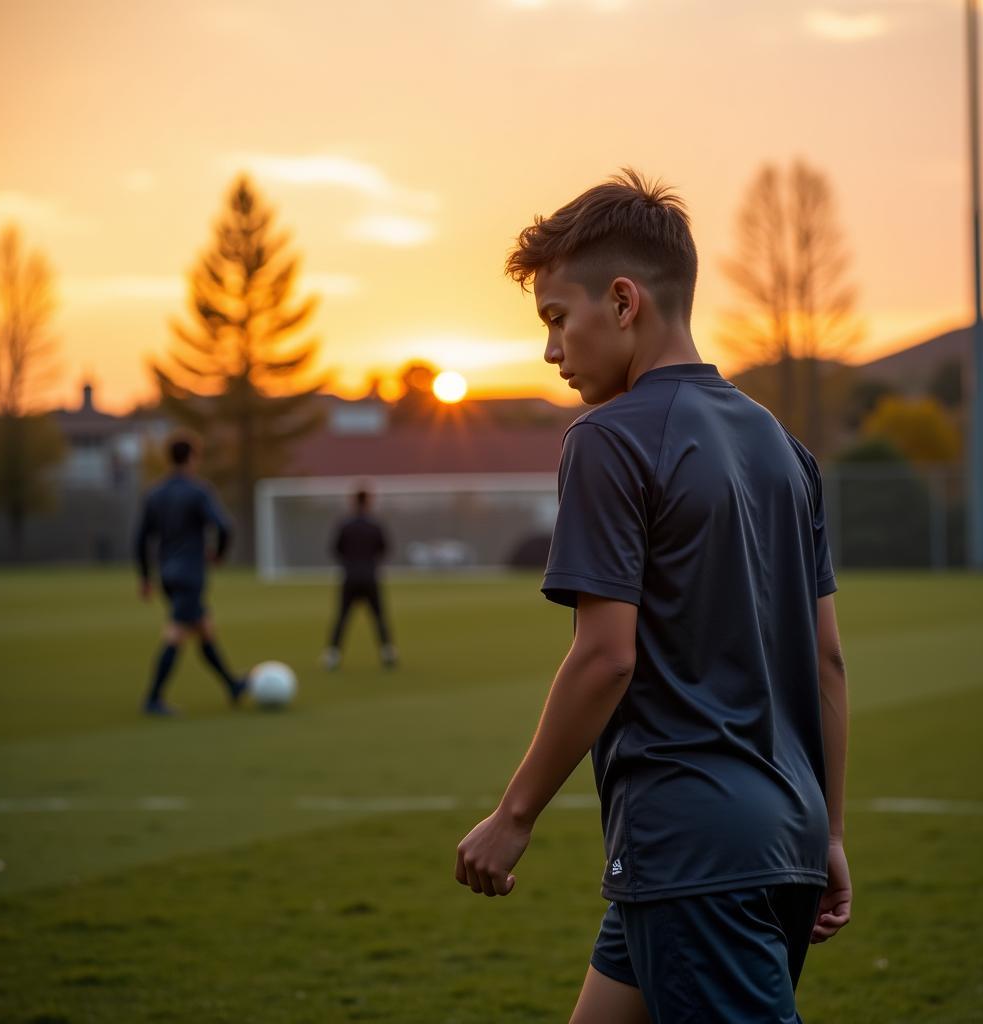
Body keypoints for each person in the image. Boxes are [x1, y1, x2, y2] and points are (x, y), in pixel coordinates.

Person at [455, 170, 851, 1023]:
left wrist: (513, 815)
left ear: (624, 302)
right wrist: (828, 833)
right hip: (775, 837)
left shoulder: (608, 438)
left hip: (691, 850)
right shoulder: (785, 448)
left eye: (558, 319)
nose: (552, 350)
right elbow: (828, 662)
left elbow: (605, 656)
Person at [134, 434, 246, 715]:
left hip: (167, 575)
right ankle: (153, 698)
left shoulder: (155, 493)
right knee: (176, 633)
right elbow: (224, 526)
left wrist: (146, 577)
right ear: (193, 458)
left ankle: (232, 685)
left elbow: (140, 538)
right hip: (190, 575)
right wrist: (219, 555)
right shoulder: (198, 492)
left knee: (204, 630)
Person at [322, 487, 396, 670]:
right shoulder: (375, 525)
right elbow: (384, 548)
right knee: (379, 617)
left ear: (353, 501)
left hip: (350, 576)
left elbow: (335, 549)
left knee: (342, 616)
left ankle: (333, 655)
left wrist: (351, 561)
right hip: (370, 576)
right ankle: (387, 653)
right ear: (369, 501)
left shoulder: (345, 524)